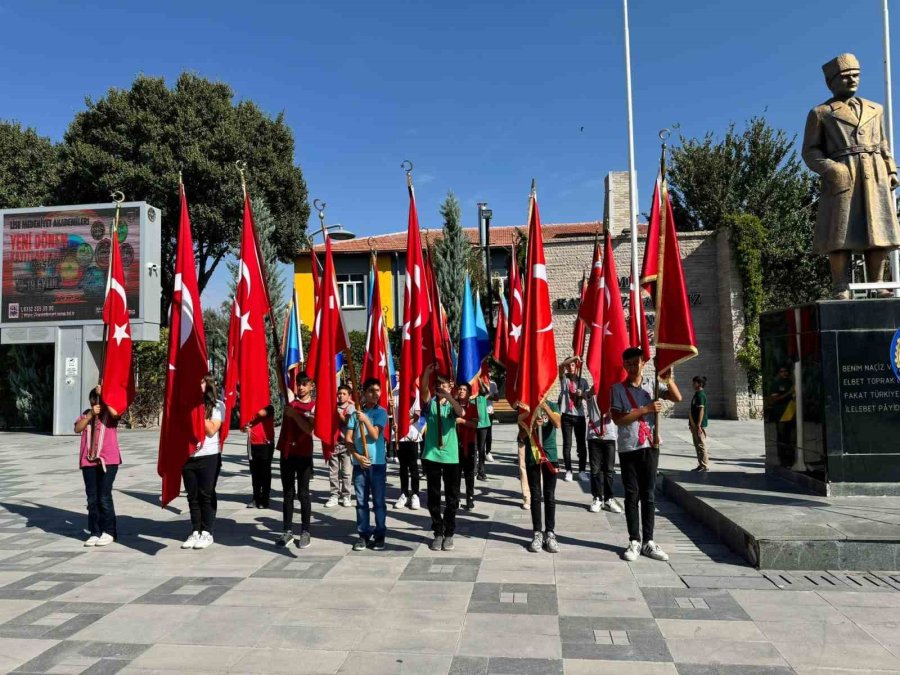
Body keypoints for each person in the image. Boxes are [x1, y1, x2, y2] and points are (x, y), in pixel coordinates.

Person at [802, 53, 900, 299]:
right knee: (840, 231)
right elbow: (810, 151)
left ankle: (877, 285)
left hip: (874, 172)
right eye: (845, 77)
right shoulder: (821, 113)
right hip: (843, 173)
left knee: (879, 229)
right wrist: (831, 169)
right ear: (831, 82)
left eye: (855, 75)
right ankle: (840, 286)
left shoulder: (875, 108)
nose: (852, 80)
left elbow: (883, 142)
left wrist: (890, 169)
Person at [611, 347, 682, 563]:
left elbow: (677, 398)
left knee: (648, 495)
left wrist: (668, 380)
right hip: (628, 447)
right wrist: (645, 409)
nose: (633, 367)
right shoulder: (617, 389)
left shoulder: (653, 385)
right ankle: (634, 539)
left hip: (650, 446)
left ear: (643, 363)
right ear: (624, 365)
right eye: (629, 364)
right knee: (632, 495)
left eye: (636, 363)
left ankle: (649, 541)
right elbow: (618, 419)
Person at [421, 365, 465, 552]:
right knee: (433, 496)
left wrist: (448, 397)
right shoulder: (430, 403)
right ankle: (438, 531)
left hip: (451, 457)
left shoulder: (452, 403)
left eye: (445, 386)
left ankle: (449, 532)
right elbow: (423, 390)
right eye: (439, 386)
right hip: (432, 455)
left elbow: (461, 413)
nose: (441, 388)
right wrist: (426, 374)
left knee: (452, 497)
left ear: (451, 386)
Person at [74, 385, 121, 547]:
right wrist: (89, 415)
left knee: (104, 496)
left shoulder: (110, 412)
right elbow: (77, 428)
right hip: (88, 461)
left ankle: (109, 531)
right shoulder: (87, 414)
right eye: (93, 400)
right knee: (92, 498)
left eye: (97, 399)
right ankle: (95, 531)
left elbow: (116, 414)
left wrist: (106, 397)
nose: (96, 402)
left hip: (108, 460)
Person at [346, 378, 389, 551]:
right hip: (359, 464)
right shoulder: (355, 413)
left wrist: (365, 420)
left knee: (378, 502)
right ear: (364, 393)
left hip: (377, 464)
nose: (375, 394)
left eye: (377, 390)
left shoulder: (381, 412)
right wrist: (357, 455)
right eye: (371, 390)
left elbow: (375, 435)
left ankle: (380, 535)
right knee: (361, 502)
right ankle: (363, 534)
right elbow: (348, 439)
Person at [181, 375, 224, 550]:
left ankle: (207, 531)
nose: (197, 385)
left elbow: (212, 430)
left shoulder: (218, 406)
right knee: (192, 496)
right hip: (188, 455)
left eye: (200, 381)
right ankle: (195, 530)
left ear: (208, 384)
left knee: (206, 494)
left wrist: (198, 411)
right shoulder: (186, 404)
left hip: (209, 455)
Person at [275, 374, 315, 549]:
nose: (301, 387)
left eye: (304, 384)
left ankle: (305, 531)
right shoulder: (291, 399)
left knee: (303, 493)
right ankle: (287, 530)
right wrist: (279, 365)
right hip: (287, 453)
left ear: (311, 386)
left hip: (304, 454)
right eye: (299, 384)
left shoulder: (314, 406)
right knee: (288, 493)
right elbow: (282, 383)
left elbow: (308, 428)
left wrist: (294, 415)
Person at [525, 400, 561, 553]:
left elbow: (557, 423)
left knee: (550, 495)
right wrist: (532, 423)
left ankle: (550, 532)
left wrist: (545, 406)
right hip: (533, 453)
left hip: (550, 454)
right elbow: (521, 433)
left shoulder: (552, 406)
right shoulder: (526, 407)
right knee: (535, 495)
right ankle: (537, 532)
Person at [586, 387, 623, 514]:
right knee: (595, 469)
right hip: (594, 436)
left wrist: (611, 412)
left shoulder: (614, 394)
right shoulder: (592, 393)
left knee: (609, 470)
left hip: (609, 436)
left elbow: (618, 413)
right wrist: (597, 385)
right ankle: (597, 497)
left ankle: (609, 498)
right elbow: (588, 395)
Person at [557, 356, 589, 482]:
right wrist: (574, 357)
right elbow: (560, 366)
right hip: (566, 415)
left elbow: (588, 397)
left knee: (581, 445)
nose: (570, 367)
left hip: (579, 416)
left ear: (577, 367)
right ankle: (569, 471)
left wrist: (582, 394)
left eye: (573, 365)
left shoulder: (583, 381)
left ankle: (582, 471)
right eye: (568, 365)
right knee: (567, 444)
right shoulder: (564, 379)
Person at [325, 385, 354, 508]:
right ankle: (334, 495)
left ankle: (346, 495)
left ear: (349, 396)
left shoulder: (351, 408)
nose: (341, 396)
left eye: (344, 394)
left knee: (346, 472)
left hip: (346, 445)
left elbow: (348, 422)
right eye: (339, 394)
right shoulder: (333, 406)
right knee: (333, 472)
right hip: (334, 444)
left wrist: (338, 413)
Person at [455, 382, 480, 511]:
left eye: (464, 389)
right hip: (454, 444)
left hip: (469, 444)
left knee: (469, 473)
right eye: (460, 389)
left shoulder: (473, 407)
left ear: (469, 393)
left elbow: (475, 425)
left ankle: (470, 498)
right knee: (456, 473)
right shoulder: (452, 406)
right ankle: (456, 498)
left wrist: (463, 421)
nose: (461, 391)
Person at [244, 404, 275, 509]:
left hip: (265, 443)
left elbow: (260, 413)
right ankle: (255, 497)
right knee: (255, 473)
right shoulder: (248, 408)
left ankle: (265, 498)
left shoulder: (269, 407)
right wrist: (245, 428)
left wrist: (250, 403)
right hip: (252, 444)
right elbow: (243, 427)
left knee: (265, 472)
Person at [395, 398, 423, 510]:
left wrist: (405, 425)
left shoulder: (414, 391)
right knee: (403, 467)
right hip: (399, 434)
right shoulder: (394, 391)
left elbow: (417, 415)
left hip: (412, 434)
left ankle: (415, 494)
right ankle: (404, 493)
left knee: (413, 466)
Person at [689, 376, 709, 472]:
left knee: (701, 445)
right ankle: (700, 464)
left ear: (700, 384)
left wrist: (699, 425)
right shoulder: (696, 394)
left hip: (699, 425)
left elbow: (701, 410)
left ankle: (704, 465)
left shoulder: (701, 395)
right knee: (697, 445)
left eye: (695, 383)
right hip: (694, 424)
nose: (693, 384)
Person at [474, 377, 492, 480]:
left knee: (481, 449)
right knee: (474, 448)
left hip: (483, 425)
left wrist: (479, 379)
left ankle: (481, 471)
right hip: (473, 425)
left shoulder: (482, 396)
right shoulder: (471, 398)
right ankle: (474, 470)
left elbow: (487, 391)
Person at [485, 376, 499, 463]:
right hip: (479, 412)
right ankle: (479, 451)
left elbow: (497, 398)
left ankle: (488, 452)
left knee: (488, 434)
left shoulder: (493, 384)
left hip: (489, 411)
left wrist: (486, 396)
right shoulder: (476, 382)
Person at [517, 431, 531, 510]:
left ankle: (536, 493)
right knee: (523, 468)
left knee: (539, 468)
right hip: (524, 438)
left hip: (540, 440)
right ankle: (527, 498)